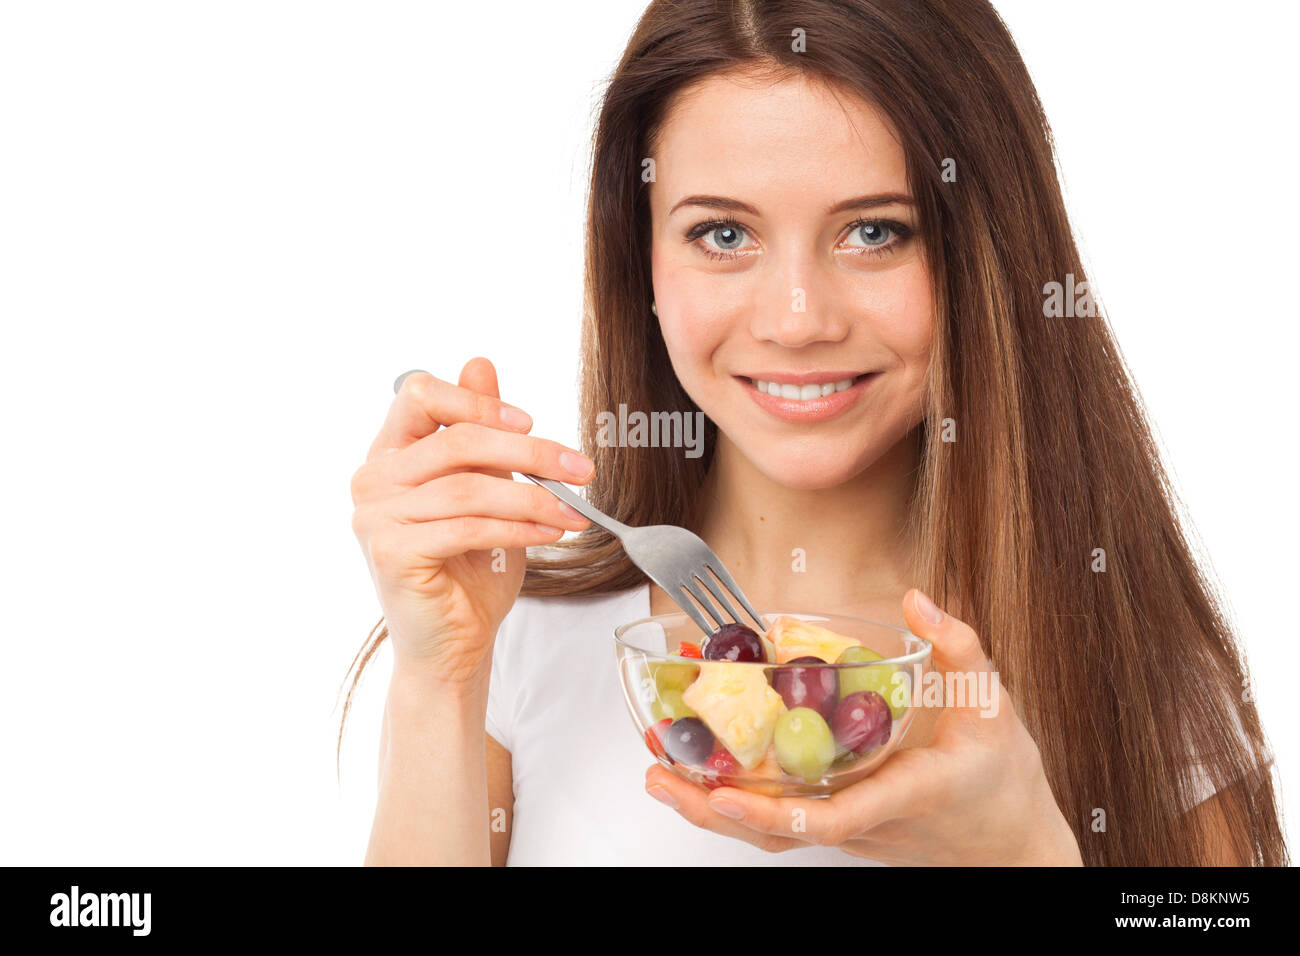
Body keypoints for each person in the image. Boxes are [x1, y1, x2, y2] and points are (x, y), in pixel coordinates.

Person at [341, 0, 1286, 866]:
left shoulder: (1122, 648)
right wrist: (438, 679)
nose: (797, 321)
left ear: (986, 257)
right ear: (644, 262)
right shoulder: (516, 644)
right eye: (722, 234)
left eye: (874, 233)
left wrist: (1027, 853)